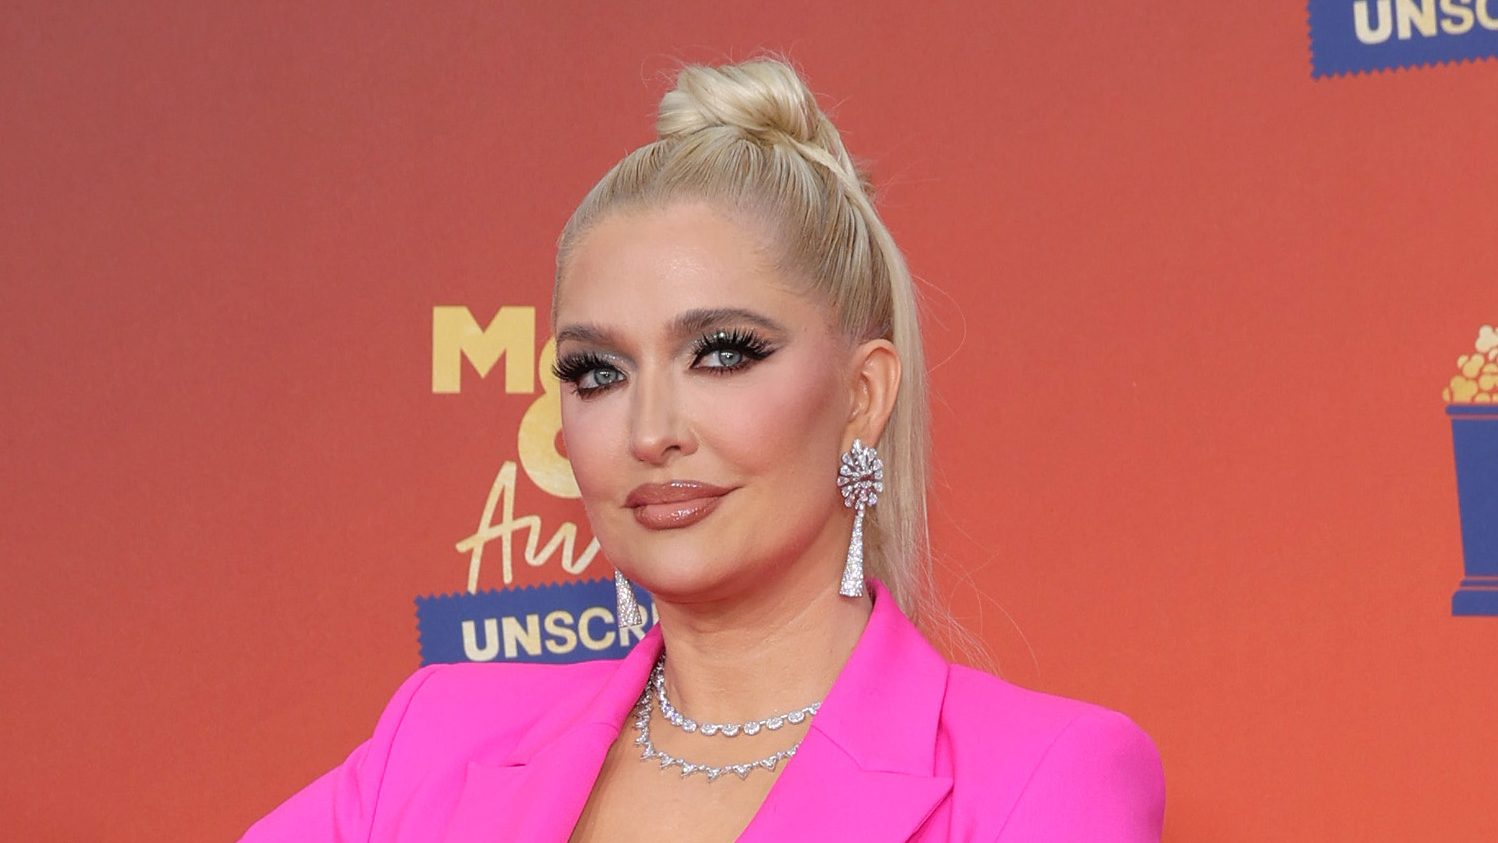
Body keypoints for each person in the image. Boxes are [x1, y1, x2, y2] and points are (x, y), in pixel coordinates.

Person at [240, 55, 1165, 842]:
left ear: (863, 395)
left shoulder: (1043, 777)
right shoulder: (434, 740)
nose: (650, 431)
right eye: (597, 371)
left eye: (722, 354)